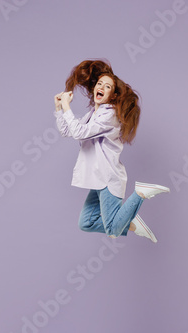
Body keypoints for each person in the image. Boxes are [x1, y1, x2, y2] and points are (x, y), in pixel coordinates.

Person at [54, 59, 170, 243]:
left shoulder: (110, 115)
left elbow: (79, 133)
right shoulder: (93, 114)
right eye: (99, 83)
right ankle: (130, 223)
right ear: (94, 88)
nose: (101, 87)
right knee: (86, 223)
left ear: (113, 95)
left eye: (107, 86)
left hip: (108, 178)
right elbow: (67, 131)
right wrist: (59, 108)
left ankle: (140, 193)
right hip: (97, 179)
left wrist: (68, 106)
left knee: (113, 231)